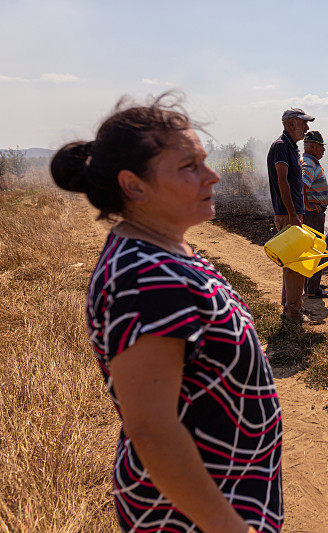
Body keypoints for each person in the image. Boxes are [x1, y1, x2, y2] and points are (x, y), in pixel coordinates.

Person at [50, 94, 283, 533]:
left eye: (204, 161)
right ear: (134, 186)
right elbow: (152, 428)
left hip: (221, 491)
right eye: (189, 166)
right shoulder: (144, 277)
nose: (212, 176)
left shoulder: (165, 249)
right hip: (187, 516)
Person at [267, 107, 314, 322]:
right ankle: (294, 314)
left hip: (293, 213)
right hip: (289, 216)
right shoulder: (280, 147)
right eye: (303, 123)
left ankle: (288, 309)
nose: (306, 127)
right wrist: (293, 214)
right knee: (295, 265)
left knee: (291, 264)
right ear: (290, 124)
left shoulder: (291, 147)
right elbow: (282, 181)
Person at [301, 130, 328, 298]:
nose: (323, 150)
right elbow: (303, 185)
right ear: (312, 146)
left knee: (311, 249)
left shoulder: (310, 161)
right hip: (313, 214)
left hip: (313, 213)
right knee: (316, 250)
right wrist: (308, 206)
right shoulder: (308, 164)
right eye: (321, 147)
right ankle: (313, 290)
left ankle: (311, 284)